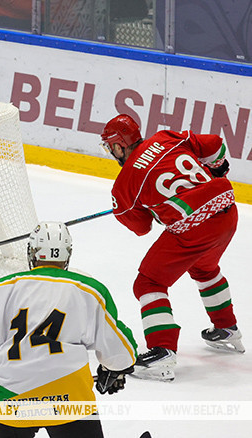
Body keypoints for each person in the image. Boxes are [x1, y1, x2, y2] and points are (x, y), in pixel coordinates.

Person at [0, 222, 137, 437]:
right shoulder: (90, 290)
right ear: (67, 254)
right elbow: (120, 350)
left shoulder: (3, 288)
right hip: (71, 399)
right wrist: (114, 370)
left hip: (10, 401)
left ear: (32, 252)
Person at [100, 114, 243, 382]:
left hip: (195, 226)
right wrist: (217, 168)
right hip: (227, 209)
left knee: (148, 282)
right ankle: (227, 328)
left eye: (111, 147)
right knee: (204, 267)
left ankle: (162, 350)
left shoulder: (125, 184)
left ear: (119, 146)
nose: (111, 152)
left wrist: (132, 208)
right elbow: (215, 145)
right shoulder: (166, 137)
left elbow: (142, 229)